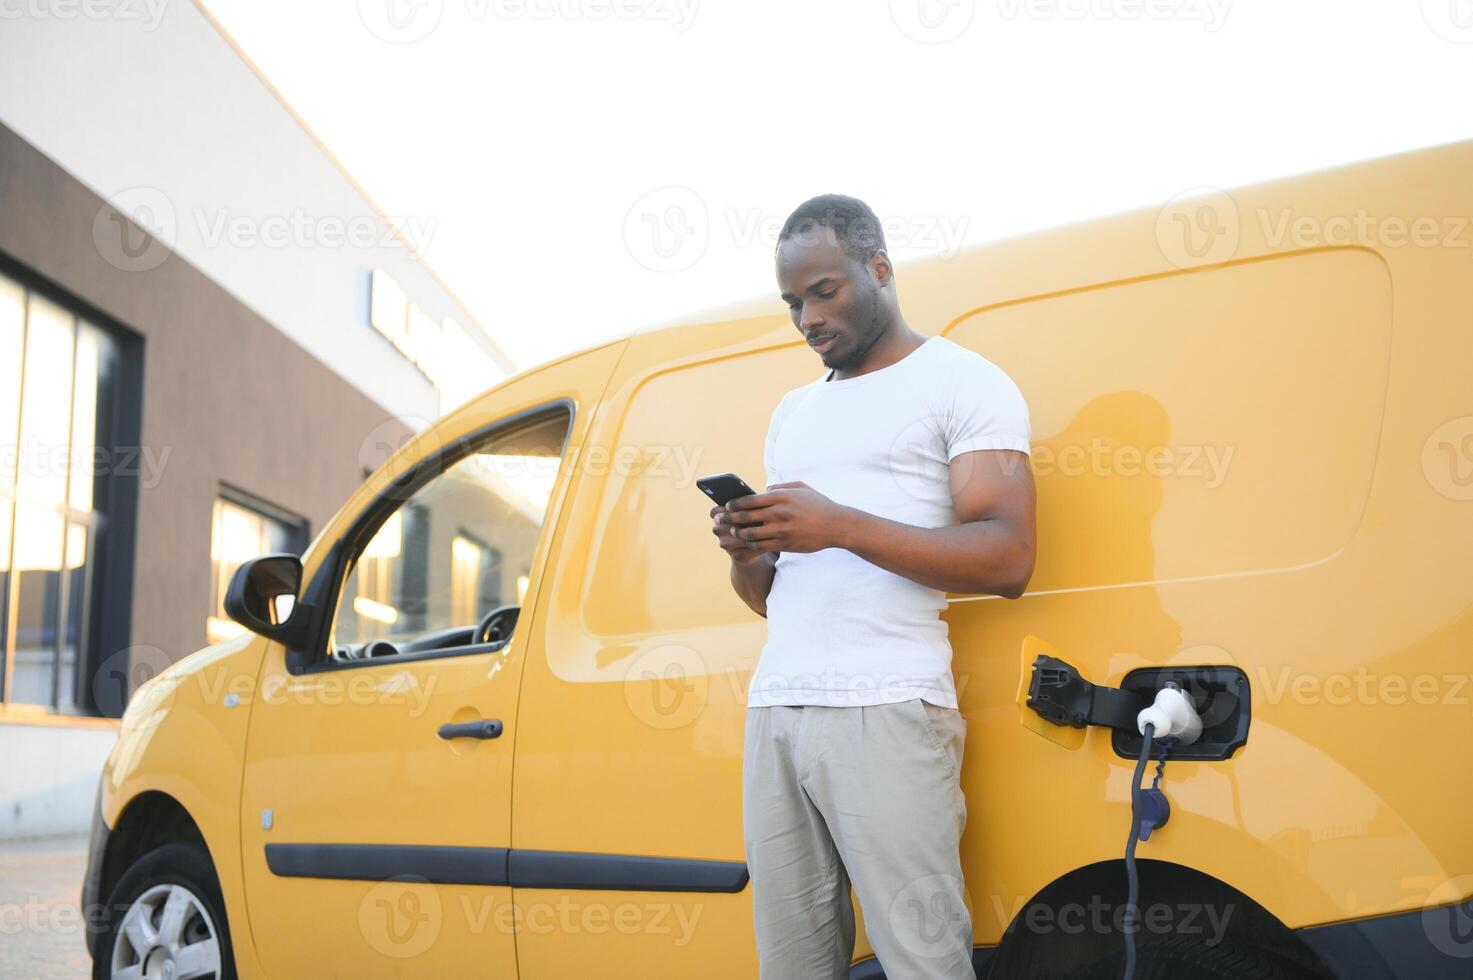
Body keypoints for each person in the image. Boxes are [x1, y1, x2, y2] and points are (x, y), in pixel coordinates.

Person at [711, 193, 1037, 979]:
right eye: (792, 302)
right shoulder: (793, 412)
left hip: (885, 707)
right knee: (792, 966)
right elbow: (767, 597)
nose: (806, 319)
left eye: (823, 292)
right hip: (777, 709)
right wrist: (745, 549)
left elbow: (1008, 559)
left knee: (923, 962)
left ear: (878, 269)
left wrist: (838, 525)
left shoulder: (964, 381)